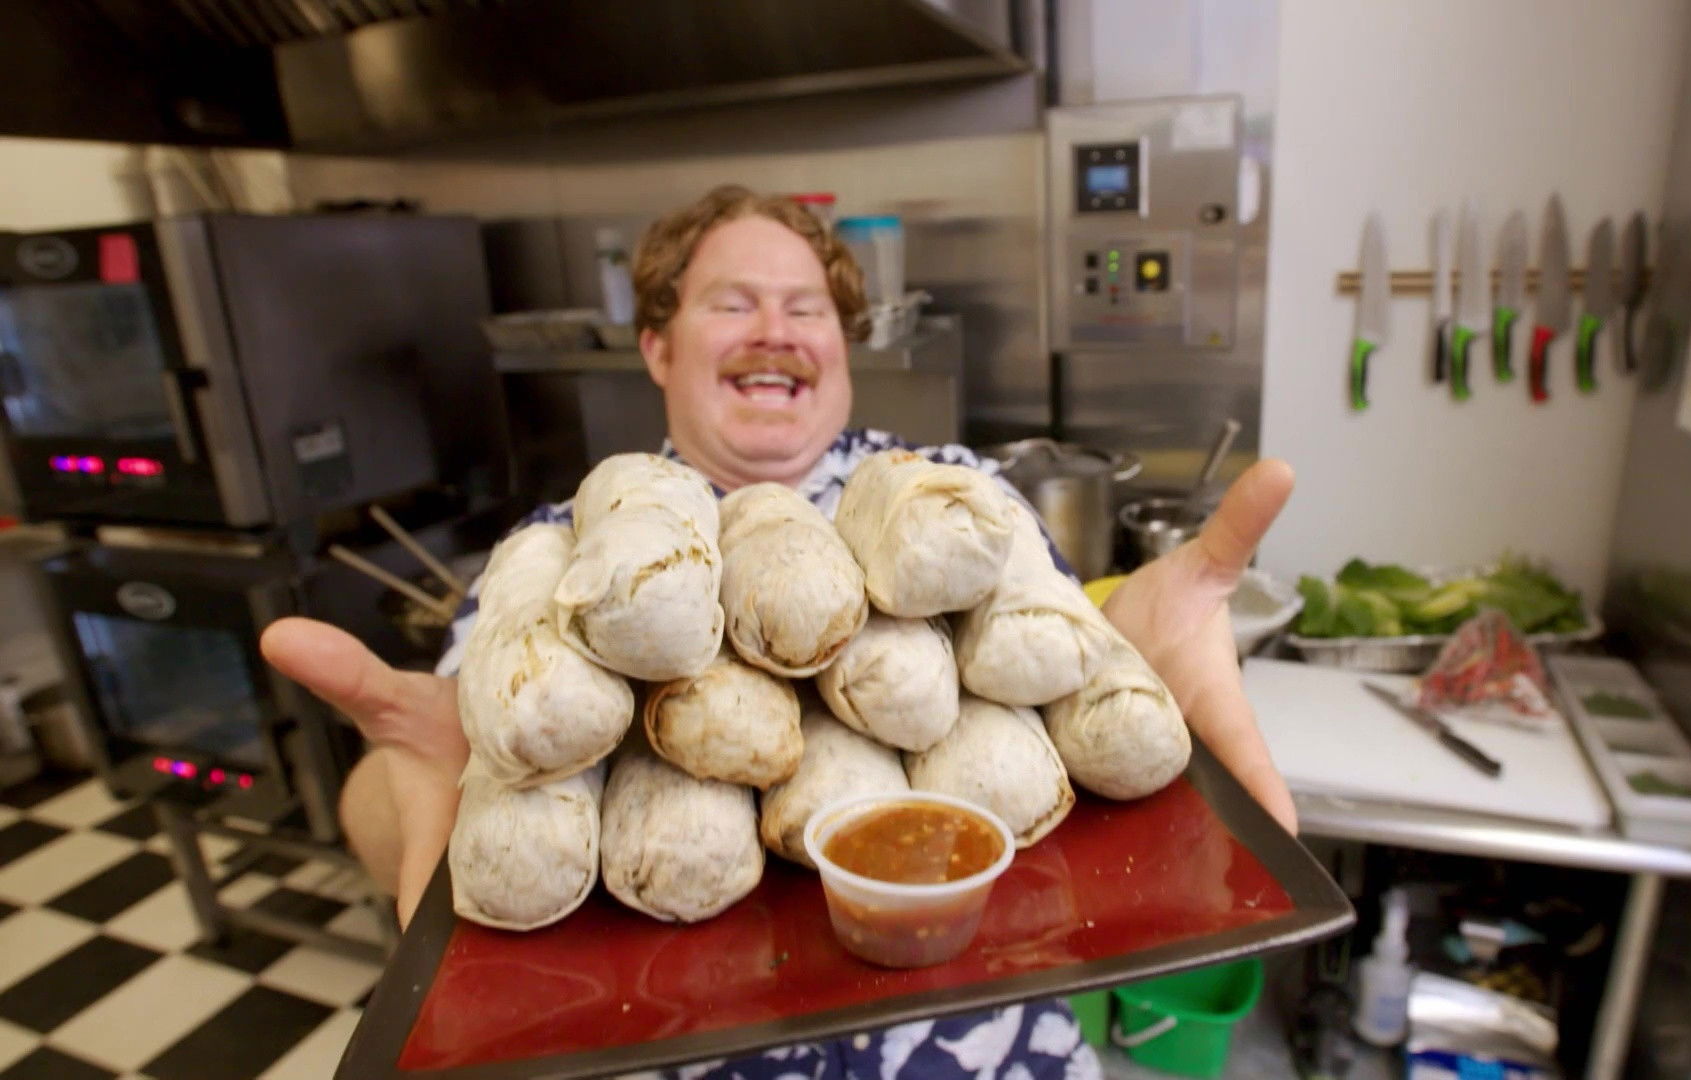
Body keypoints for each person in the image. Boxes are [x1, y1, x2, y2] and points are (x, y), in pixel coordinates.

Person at [260, 184, 1298, 1079]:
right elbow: (416, 776)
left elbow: (1060, 652)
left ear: (841, 349)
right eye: (733, 303)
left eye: (807, 308)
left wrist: (1121, 638)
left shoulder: (956, 496)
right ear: (658, 346)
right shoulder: (560, 543)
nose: (775, 328)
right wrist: (413, 786)